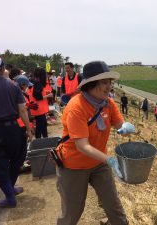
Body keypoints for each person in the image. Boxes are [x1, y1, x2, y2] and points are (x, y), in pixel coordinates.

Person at [55, 61, 134, 225]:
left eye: (110, 82)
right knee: (72, 212)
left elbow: (119, 125)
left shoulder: (108, 103)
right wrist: (110, 160)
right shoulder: (76, 107)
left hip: (99, 163)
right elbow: (82, 146)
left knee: (113, 205)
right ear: (91, 84)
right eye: (104, 82)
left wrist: (125, 128)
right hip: (73, 166)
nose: (109, 87)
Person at [0, 56, 33, 208]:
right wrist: (28, 129)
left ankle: (9, 194)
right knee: (17, 158)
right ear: (2, 69)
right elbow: (22, 109)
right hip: (13, 129)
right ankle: (11, 189)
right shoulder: (13, 85)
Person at [28, 68, 53, 138]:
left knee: (43, 127)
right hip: (39, 110)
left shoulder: (35, 83)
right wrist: (48, 95)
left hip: (39, 110)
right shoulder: (37, 84)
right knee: (40, 128)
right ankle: (39, 142)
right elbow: (37, 97)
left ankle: (45, 139)